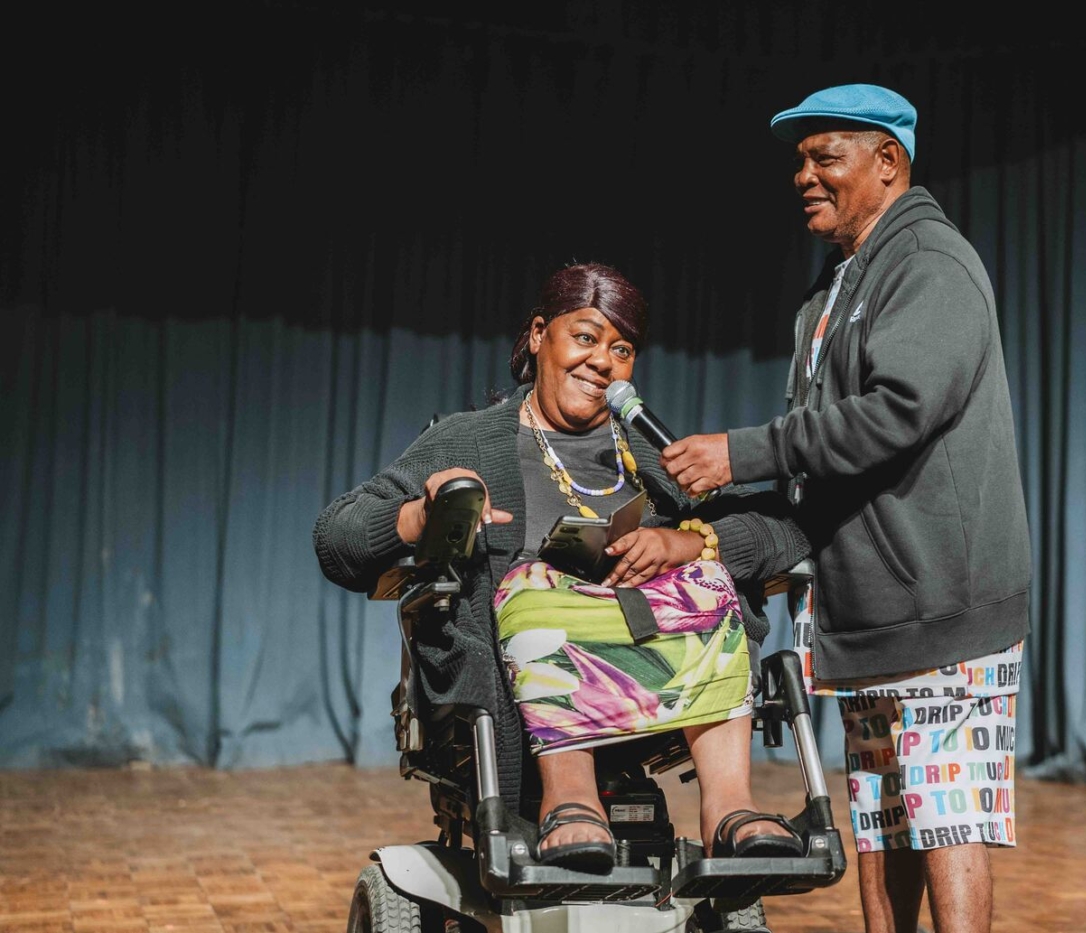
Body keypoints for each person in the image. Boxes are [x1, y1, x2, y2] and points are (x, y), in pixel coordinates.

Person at [662, 85, 1031, 933]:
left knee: (948, 814)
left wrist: (742, 451)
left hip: (944, 604)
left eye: (826, 156)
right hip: (866, 610)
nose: (804, 175)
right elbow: (824, 471)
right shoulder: (839, 287)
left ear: (889, 162)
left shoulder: (929, 262)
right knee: (884, 818)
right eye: (799, 159)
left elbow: (897, 412)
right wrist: (717, 528)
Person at [314, 262, 806, 874]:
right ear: (539, 334)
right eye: (585, 336)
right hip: (522, 670)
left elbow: (785, 529)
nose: (602, 361)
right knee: (534, 582)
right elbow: (337, 539)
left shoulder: (650, 455)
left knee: (706, 573)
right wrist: (424, 515)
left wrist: (688, 543)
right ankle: (569, 800)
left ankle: (729, 808)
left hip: (650, 664)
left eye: (621, 349)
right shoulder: (469, 442)